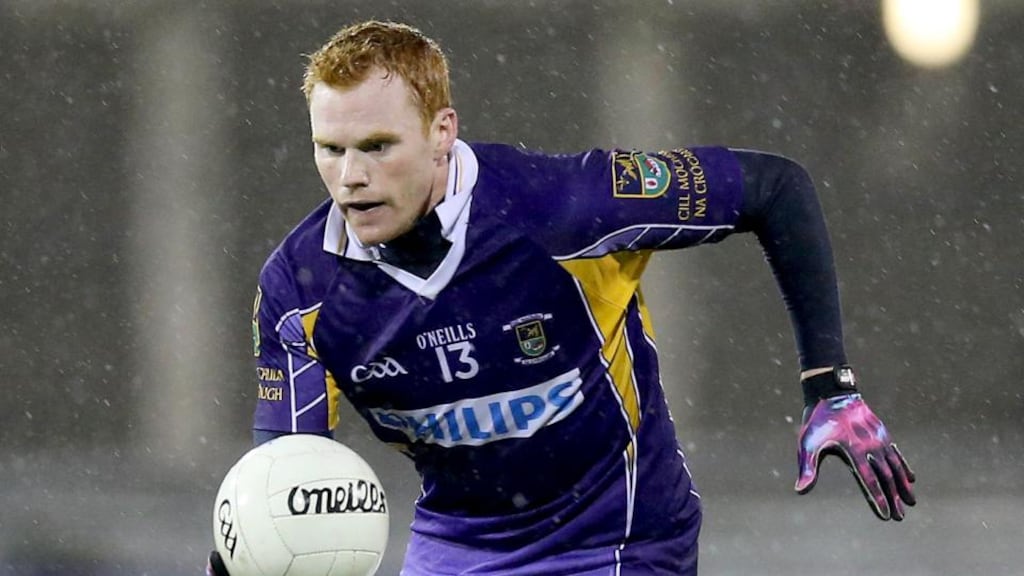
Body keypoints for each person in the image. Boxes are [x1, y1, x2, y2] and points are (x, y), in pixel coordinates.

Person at [208, 20, 916, 576]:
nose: (350, 177)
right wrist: (251, 550)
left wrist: (830, 384)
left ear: (442, 135)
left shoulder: (563, 209)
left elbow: (776, 188)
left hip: (619, 539)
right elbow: (290, 476)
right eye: (330, 149)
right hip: (456, 548)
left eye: (377, 146)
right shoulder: (298, 289)